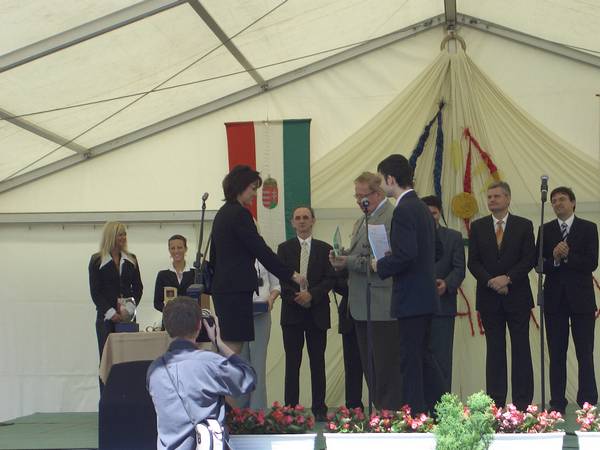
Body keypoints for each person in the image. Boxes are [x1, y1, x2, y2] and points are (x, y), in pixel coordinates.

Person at [372, 154, 444, 415]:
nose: (382, 185)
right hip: (425, 296)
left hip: (411, 298)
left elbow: (406, 255)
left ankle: (415, 414)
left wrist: (380, 264)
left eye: (382, 180)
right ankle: (440, 408)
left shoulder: (403, 210)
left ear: (391, 179)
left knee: (410, 360)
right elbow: (436, 250)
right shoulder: (423, 207)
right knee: (424, 356)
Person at [210, 165, 306, 355]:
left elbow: (214, 256)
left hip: (224, 290)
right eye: (253, 188)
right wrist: (292, 275)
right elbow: (261, 250)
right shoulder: (240, 214)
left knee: (229, 346)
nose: (255, 194)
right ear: (240, 186)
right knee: (233, 348)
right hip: (235, 291)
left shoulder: (222, 213)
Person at [329, 171, 402, 410]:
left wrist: (348, 262)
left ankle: (390, 414)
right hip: (361, 304)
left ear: (378, 193)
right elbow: (360, 253)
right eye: (357, 196)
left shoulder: (391, 217)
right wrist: (341, 256)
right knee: (370, 366)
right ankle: (381, 412)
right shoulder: (363, 219)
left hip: (381, 304)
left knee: (385, 366)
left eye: (363, 196)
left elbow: (384, 260)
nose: (359, 201)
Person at [147, 296, 255, 450]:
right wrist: (219, 343)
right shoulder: (210, 363)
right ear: (199, 325)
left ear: (167, 327)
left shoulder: (154, 370)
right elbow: (248, 379)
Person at [467, 180, 535, 411]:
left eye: (497, 196)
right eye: (489, 197)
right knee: (495, 350)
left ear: (508, 198)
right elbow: (473, 262)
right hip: (489, 298)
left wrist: (508, 278)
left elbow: (529, 258)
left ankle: (522, 403)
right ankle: (495, 402)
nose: (492, 200)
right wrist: (492, 281)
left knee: (521, 349)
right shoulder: (478, 227)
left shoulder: (523, 225)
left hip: (517, 296)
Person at [538, 186, 598, 413]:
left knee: (585, 353)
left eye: (562, 199)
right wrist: (554, 258)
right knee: (556, 353)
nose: (557, 203)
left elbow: (592, 262)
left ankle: (588, 402)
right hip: (555, 301)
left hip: (582, 300)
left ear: (573, 202)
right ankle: (557, 403)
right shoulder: (545, 229)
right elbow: (538, 265)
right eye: (553, 200)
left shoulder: (588, 228)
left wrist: (568, 255)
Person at [277, 206, 335, 421]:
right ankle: (291, 409)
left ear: (313, 221)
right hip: (292, 314)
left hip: (317, 313)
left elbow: (330, 279)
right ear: (292, 223)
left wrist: (311, 295)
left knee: (317, 363)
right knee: (292, 363)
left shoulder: (325, 249)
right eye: (298, 218)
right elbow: (282, 279)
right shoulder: (284, 249)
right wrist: (297, 297)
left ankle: (319, 408)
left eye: (305, 217)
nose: (302, 221)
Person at [422, 195, 466, 393]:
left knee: (441, 359)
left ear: (439, 213)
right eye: (426, 214)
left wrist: (446, 284)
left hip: (443, 306)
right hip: (416, 308)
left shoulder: (453, 237)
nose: (430, 217)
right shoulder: (412, 237)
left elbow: (459, 269)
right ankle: (420, 404)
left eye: (433, 213)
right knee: (418, 358)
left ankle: (443, 403)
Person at [89, 221, 143, 359]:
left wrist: (130, 309)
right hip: (106, 318)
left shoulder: (131, 259)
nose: (123, 238)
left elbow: (138, 287)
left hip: (127, 317)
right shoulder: (97, 260)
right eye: (120, 235)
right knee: (107, 357)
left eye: (124, 234)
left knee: (128, 356)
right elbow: (95, 292)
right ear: (111, 236)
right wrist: (111, 312)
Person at [239, 260, 281, 410]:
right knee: (241, 363)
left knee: (258, 364)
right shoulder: (236, 255)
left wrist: (271, 298)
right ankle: (240, 411)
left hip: (261, 313)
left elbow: (276, 286)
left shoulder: (264, 255)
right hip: (239, 314)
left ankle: (257, 412)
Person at [332, 270, 364, 410]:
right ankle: (353, 406)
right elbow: (335, 282)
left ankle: (384, 407)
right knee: (352, 366)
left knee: (377, 366)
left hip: (375, 314)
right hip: (349, 316)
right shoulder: (345, 262)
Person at [154, 234, 194, 313]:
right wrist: (169, 311)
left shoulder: (194, 273)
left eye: (179, 247)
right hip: (170, 318)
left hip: (191, 317)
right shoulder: (162, 275)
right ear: (169, 250)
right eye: (173, 248)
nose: (176, 251)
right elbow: (157, 303)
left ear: (185, 249)